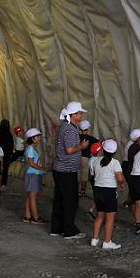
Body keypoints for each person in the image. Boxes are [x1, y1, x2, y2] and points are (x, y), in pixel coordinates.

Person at [51, 101, 90, 239]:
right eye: (80, 113)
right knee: (70, 201)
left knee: (60, 199)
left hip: (61, 169)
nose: (81, 115)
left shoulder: (65, 126)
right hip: (66, 171)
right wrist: (82, 146)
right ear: (73, 115)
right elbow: (69, 150)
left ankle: (56, 228)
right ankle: (69, 231)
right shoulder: (69, 129)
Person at [90, 139, 126, 250]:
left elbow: (93, 175)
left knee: (100, 215)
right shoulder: (115, 163)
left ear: (103, 149)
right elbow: (120, 178)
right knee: (110, 218)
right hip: (109, 191)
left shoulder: (95, 161)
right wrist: (121, 184)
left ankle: (95, 239)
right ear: (114, 151)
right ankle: (107, 241)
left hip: (97, 190)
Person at [23, 127, 47, 224]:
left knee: (30, 196)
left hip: (31, 174)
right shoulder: (31, 149)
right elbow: (31, 164)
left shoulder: (31, 148)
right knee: (33, 196)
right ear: (33, 138)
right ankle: (36, 218)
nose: (40, 138)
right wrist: (45, 169)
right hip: (33, 175)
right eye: (38, 136)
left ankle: (27, 216)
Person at [0, 119, 13, 191]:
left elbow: (11, 144)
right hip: (0, 153)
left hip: (5, 154)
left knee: (3, 168)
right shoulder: (0, 133)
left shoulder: (6, 133)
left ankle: (2, 183)